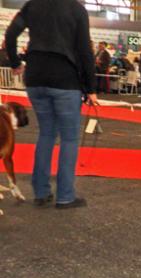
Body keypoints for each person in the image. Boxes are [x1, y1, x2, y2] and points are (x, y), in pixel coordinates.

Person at [5, 0, 98, 209]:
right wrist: (91, 88)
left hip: (35, 77)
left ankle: (41, 192)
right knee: (69, 138)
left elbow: (10, 35)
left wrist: (15, 63)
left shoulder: (32, 5)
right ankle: (65, 196)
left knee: (46, 133)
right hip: (65, 79)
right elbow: (84, 50)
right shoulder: (76, 9)